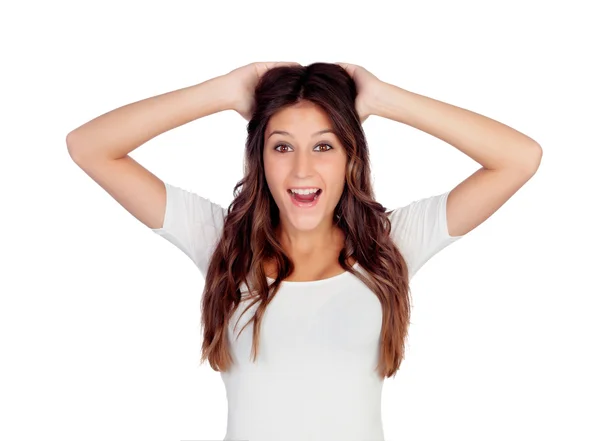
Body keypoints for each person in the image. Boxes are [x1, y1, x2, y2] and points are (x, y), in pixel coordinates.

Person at [66, 61, 542, 441]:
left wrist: (383, 99)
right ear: (260, 158)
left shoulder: (388, 246)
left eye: (323, 146)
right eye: (282, 147)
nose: (301, 171)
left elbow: (519, 159)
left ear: (351, 156)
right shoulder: (222, 243)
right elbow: (89, 147)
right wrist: (224, 92)